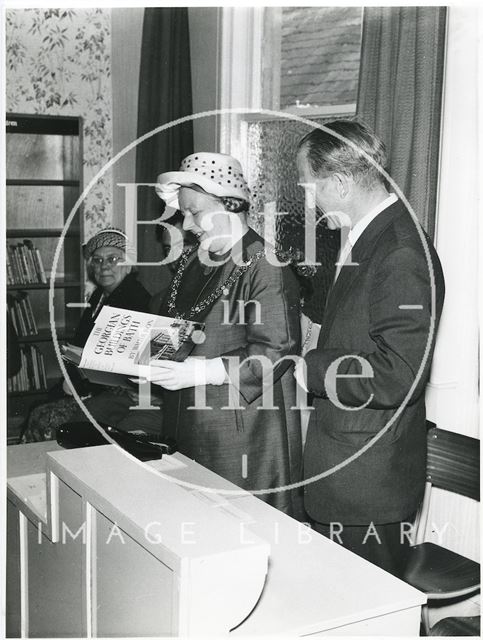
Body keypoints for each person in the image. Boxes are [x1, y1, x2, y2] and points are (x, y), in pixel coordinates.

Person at [295, 120, 445, 576]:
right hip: (350, 470)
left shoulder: (400, 249)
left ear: (339, 183)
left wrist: (313, 370)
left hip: (367, 485)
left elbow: (399, 373)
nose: (310, 203)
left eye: (309, 189)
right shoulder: (374, 236)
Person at [152, 152, 304, 518]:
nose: (187, 225)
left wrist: (199, 372)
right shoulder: (195, 260)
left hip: (242, 434)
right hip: (190, 424)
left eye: (195, 212)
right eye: (183, 213)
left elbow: (276, 350)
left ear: (232, 206)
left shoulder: (266, 264)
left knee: (242, 536)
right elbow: (176, 325)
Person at [21, 227, 153, 442]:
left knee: (43, 416)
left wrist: (77, 385)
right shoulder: (100, 296)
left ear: (129, 265)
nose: (104, 266)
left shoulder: (134, 299)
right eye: (98, 260)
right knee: (40, 406)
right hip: (92, 383)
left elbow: (122, 364)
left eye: (113, 259)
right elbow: (81, 344)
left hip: (117, 391)